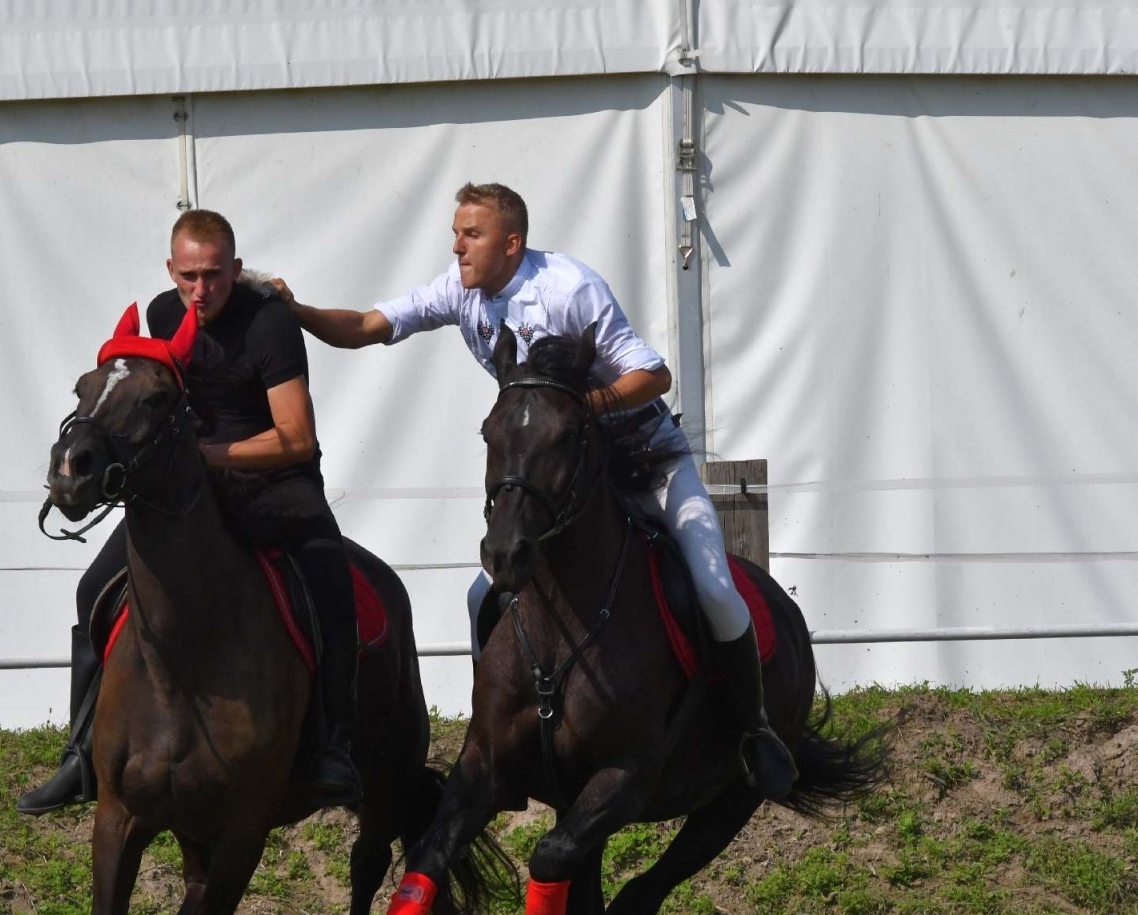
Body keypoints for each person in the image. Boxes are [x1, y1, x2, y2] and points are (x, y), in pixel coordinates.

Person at [269, 182, 797, 800]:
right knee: (480, 594)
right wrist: (295, 310)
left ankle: (754, 731)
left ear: (511, 244)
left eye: (472, 234)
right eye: (456, 231)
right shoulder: (458, 290)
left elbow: (654, 375)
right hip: (569, 480)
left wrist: (575, 409)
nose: (456, 245)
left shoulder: (569, 287)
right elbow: (362, 326)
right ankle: (498, 738)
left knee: (714, 585)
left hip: (646, 459)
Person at [18, 209, 363, 815]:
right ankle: (79, 754)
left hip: (276, 484)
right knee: (92, 589)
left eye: (213, 276)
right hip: (192, 489)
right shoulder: (161, 313)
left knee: (331, 584)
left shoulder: (271, 323)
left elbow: (297, 437)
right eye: (188, 276)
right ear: (170, 271)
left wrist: (207, 455)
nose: (200, 291)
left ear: (235, 269)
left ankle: (335, 744)